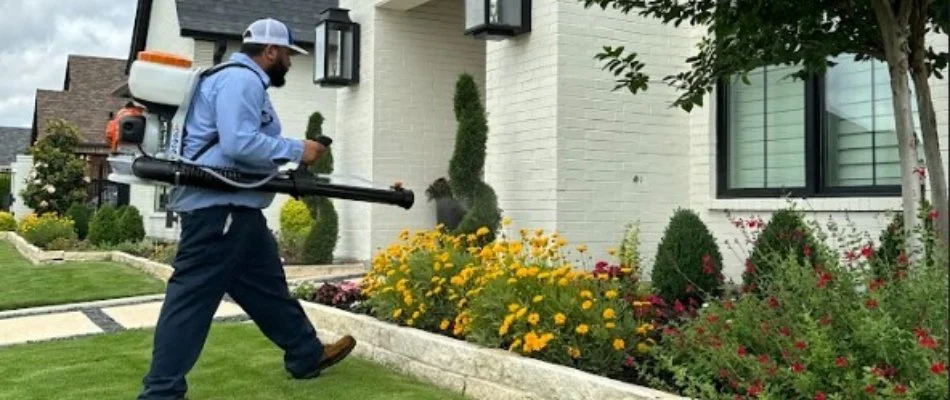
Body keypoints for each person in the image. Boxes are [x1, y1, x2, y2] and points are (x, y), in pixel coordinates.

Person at [137, 18, 356, 400]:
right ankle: (161, 392)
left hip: (237, 212)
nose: (288, 61)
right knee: (189, 301)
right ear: (270, 51)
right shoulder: (242, 80)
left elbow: (237, 145)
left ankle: (305, 354)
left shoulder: (234, 79)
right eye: (287, 53)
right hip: (218, 212)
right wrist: (296, 150)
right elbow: (239, 142)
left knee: (267, 290)